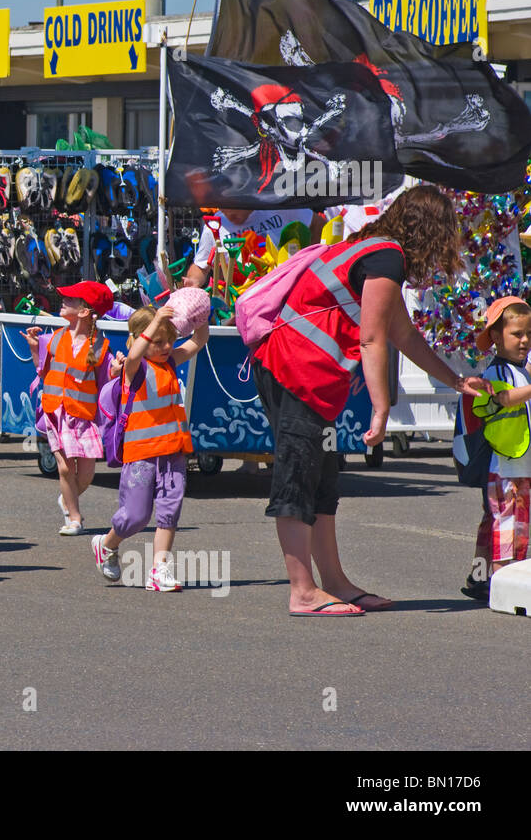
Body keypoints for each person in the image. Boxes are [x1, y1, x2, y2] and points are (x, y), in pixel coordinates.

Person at [251, 184, 487, 616]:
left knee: (323, 482)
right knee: (297, 477)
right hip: (293, 370)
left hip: (307, 375)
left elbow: (403, 334)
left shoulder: (373, 250)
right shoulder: (385, 258)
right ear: (428, 231)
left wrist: (455, 380)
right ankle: (303, 592)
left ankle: (335, 583)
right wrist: (382, 408)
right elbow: (374, 337)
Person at [92, 304, 208, 591]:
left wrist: (202, 317)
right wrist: (155, 320)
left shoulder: (169, 361)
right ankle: (106, 544)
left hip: (173, 452)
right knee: (136, 516)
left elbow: (198, 341)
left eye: (170, 339)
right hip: (142, 454)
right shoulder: (136, 367)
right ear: (143, 338)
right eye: (159, 340)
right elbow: (133, 355)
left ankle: (159, 571)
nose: (167, 346)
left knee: (169, 512)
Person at [25, 281, 116, 536]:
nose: (63, 301)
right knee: (65, 468)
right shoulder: (54, 338)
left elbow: (106, 380)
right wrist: (35, 349)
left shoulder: (98, 345)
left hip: (83, 414)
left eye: (70, 299)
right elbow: (41, 370)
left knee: (86, 474)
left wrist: (117, 370)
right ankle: (74, 518)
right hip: (56, 412)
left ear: (85, 311)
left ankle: (67, 499)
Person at [466, 296, 531, 601]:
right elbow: (503, 399)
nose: (525, 340)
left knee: (497, 524)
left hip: (519, 464)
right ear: (495, 336)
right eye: (517, 334)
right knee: (509, 527)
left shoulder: (523, 371)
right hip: (504, 467)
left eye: (529, 333)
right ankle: (507, 585)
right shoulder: (495, 373)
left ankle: (480, 578)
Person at [182, 207, 313, 289]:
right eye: (222, 205)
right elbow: (201, 266)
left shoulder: (277, 208)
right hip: (240, 297)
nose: (228, 212)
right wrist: (193, 281)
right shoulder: (215, 225)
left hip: (285, 290)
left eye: (232, 203)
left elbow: (317, 224)